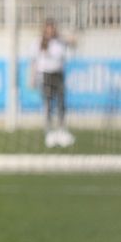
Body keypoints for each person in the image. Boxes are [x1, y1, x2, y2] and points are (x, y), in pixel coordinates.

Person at [33, 19, 75, 148]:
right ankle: (49, 132)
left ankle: (61, 131)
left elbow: (72, 47)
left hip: (58, 75)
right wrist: (33, 77)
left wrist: (71, 40)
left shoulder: (60, 42)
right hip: (46, 76)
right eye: (48, 28)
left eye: (52, 28)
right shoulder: (38, 42)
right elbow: (34, 61)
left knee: (61, 104)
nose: (50, 31)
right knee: (48, 105)